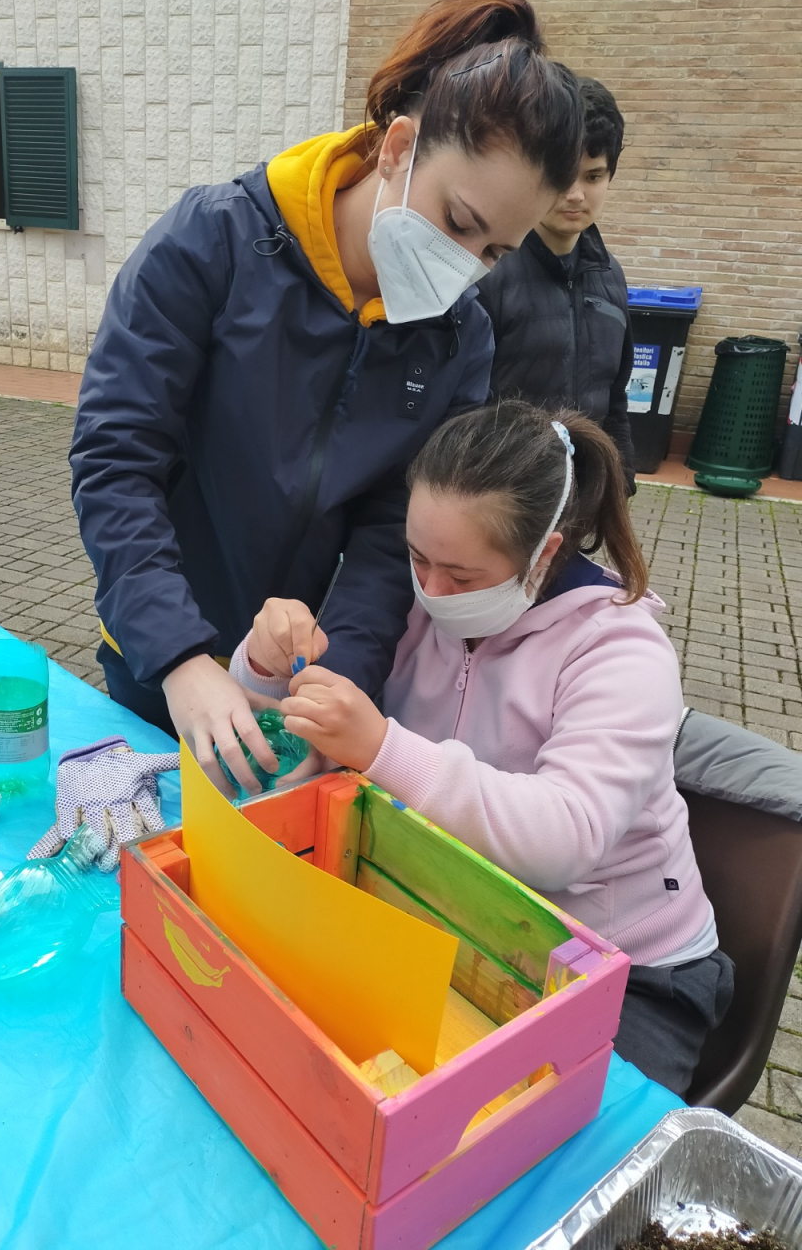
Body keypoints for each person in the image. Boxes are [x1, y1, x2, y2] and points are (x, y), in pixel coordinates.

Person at [69, 0, 583, 795]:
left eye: (492, 252)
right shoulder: (216, 240)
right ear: (398, 148)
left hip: (296, 667)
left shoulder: (459, 338)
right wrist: (179, 657)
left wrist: (337, 689)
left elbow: (392, 534)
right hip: (159, 649)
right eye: (457, 222)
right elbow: (117, 459)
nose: (463, 264)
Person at [232, 400, 733, 1094]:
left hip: (626, 967)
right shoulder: (408, 607)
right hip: (457, 925)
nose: (432, 591)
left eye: (462, 577)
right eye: (417, 558)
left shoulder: (620, 651)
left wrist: (381, 747)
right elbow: (294, 736)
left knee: (549, 1143)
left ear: (544, 554)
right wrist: (263, 664)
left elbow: (565, 837)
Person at [476, 77, 637, 489]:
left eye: (594, 177)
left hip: (583, 498)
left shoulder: (611, 277)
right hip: (504, 499)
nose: (576, 194)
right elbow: (460, 408)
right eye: (563, 175)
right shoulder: (486, 270)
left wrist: (620, 487)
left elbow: (616, 399)